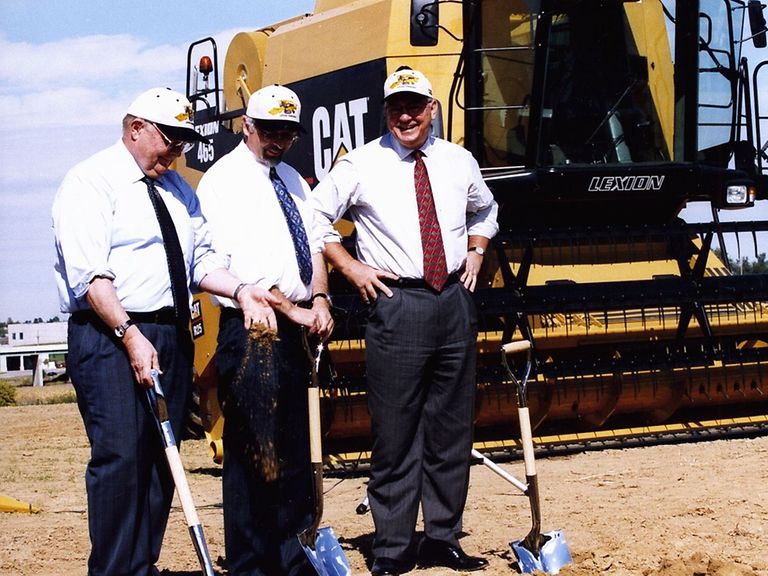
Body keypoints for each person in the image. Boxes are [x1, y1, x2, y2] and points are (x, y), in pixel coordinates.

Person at [52, 86, 278, 576]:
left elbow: (202, 261)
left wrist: (242, 291)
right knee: (121, 456)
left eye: (184, 142)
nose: (177, 151)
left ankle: (141, 565)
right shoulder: (90, 182)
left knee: (162, 456)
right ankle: (115, 570)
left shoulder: (178, 190)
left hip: (171, 335)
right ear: (136, 129)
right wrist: (130, 335)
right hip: (109, 335)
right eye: (170, 139)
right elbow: (91, 277)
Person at [312, 68, 499, 576]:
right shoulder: (361, 164)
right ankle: (393, 547)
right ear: (386, 112)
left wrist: (477, 250)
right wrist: (349, 267)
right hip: (397, 304)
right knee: (395, 432)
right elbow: (315, 216)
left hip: (454, 301)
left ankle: (442, 538)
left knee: (451, 430)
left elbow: (486, 210)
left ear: (432, 109)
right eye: (397, 107)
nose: (406, 116)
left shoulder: (458, 161)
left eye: (415, 105)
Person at [196, 84, 334, 576]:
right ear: (247, 126)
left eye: (288, 133)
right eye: (270, 131)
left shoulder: (293, 179)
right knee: (256, 454)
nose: (279, 141)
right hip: (254, 329)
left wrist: (319, 298)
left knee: (296, 451)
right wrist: (289, 308)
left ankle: (294, 560)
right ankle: (252, 565)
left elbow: (314, 244)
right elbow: (230, 271)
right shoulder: (223, 182)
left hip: (297, 329)